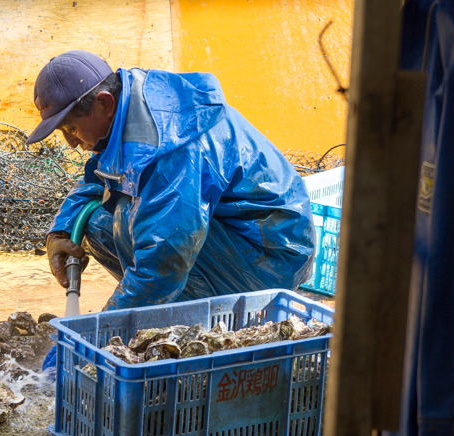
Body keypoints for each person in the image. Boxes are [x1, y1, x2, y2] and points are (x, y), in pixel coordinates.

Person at [27, 50, 316, 315]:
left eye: (72, 128)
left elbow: (164, 262)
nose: (71, 142)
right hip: (235, 234)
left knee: (129, 216)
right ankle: (165, 311)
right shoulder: (129, 105)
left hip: (272, 258)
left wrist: (99, 331)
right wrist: (60, 231)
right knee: (98, 222)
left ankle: (193, 321)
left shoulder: (168, 147)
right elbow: (99, 177)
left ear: (105, 102)